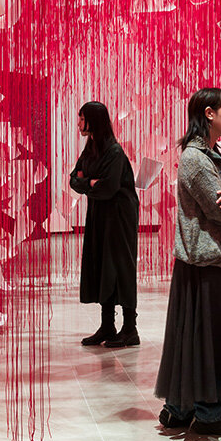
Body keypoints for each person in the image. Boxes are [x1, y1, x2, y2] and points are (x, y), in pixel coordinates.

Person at [155, 87, 221, 437]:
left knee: (194, 333)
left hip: (209, 258)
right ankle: (210, 411)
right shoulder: (198, 160)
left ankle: (180, 407)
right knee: (209, 334)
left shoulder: (212, 156)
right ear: (210, 113)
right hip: (207, 259)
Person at [70, 101, 140, 348]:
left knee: (120, 266)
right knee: (102, 265)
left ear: (92, 121)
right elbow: (73, 179)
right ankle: (107, 325)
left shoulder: (114, 151)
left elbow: (109, 187)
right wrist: (91, 183)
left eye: (81, 119)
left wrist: (86, 183)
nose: (78, 124)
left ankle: (130, 329)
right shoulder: (92, 148)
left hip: (119, 216)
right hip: (100, 213)